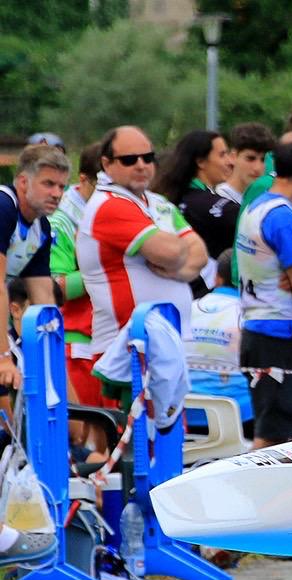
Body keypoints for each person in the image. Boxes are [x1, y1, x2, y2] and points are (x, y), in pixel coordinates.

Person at [77, 125, 208, 401]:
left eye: (148, 158)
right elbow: (171, 250)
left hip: (162, 350)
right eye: (129, 160)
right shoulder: (109, 204)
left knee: (166, 442)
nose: (141, 165)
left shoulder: (156, 202)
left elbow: (199, 254)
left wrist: (178, 270)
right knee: (132, 443)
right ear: (107, 164)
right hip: (126, 352)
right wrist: (176, 256)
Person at [236, 134, 292, 448]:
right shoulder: (284, 217)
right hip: (280, 332)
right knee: (276, 435)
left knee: (273, 426)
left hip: (257, 328)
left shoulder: (257, 206)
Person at [0, 144, 67, 391]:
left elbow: (45, 301)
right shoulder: (3, 206)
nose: (57, 193)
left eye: (61, 186)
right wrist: (3, 358)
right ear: (23, 182)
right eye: (48, 184)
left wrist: (56, 370)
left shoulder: (42, 229)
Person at [49, 143, 104, 405]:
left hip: (106, 339)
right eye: (103, 185)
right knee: (83, 432)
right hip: (77, 343)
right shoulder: (60, 221)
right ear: (84, 180)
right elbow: (54, 287)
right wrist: (104, 268)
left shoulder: (111, 211)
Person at [152, 130, 237, 295]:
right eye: (222, 155)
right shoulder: (206, 204)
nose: (230, 162)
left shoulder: (170, 196)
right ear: (201, 162)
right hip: (204, 302)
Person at [186, 249, 252, 433]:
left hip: (184, 414)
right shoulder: (253, 318)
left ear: (217, 278)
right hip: (238, 417)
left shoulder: (186, 310)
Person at [215, 122, 276, 205]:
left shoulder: (267, 199)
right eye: (250, 159)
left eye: (263, 160)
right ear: (233, 156)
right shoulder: (217, 200)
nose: (257, 168)